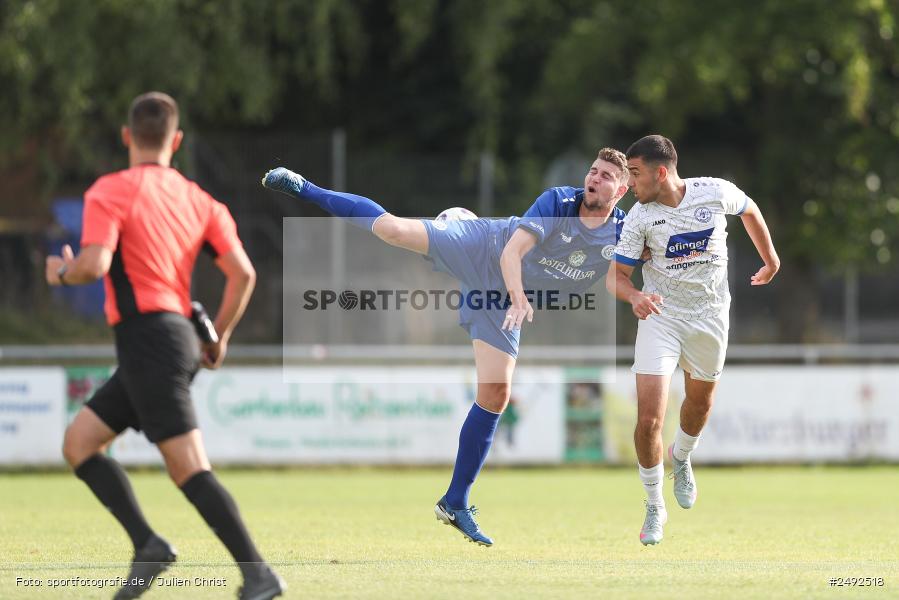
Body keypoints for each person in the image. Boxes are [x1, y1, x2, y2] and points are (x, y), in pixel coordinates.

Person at [262, 148, 631, 546]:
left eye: (606, 175)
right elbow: (511, 253)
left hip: (501, 299)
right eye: (593, 171)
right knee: (394, 231)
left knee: (496, 394)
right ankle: (306, 187)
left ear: (622, 189)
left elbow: (639, 261)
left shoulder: (624, 230)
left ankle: (455, 501)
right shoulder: (559, 201)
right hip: (486, 248)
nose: (594, 178)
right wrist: (521, 297)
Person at [46, 92, 285, 600]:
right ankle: (149, 545)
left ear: (128, 136)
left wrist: (61, 272)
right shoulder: (201, 200)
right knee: (80, 443)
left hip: (150, 340)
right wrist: (218, 336)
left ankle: (260, 575)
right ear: (175, 141)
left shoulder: (110, 190)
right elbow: (243, 273)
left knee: (189, 468)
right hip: (168, 339)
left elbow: (93, 265)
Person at [606, 134, 780, 545]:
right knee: (648, 417)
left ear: (661, 172)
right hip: (661, 318)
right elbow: (617, 276)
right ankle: (653, 505)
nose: (629, 183)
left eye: (635, 174)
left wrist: (770, 259)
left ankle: (681, 457)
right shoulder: (639, 217)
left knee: (699, 403)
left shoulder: (714, 192)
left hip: (710, 318)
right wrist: (635, 297)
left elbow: (750, 208)